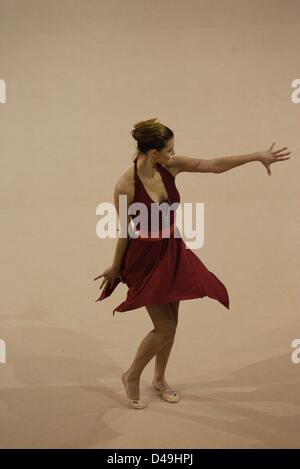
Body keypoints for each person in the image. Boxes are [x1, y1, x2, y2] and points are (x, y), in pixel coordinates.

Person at [94, 117, 291, 409]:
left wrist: (255, 156)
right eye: (169, 150)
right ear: (152, 153)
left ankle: (159, 379)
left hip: (172, 249)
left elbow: (211, 165)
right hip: (145, 258)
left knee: (173, 322)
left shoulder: (170, 167)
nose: (173, 155)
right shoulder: (125, 186)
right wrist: (115, 266)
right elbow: (123, 231)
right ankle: (132, 375)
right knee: (165, 328)